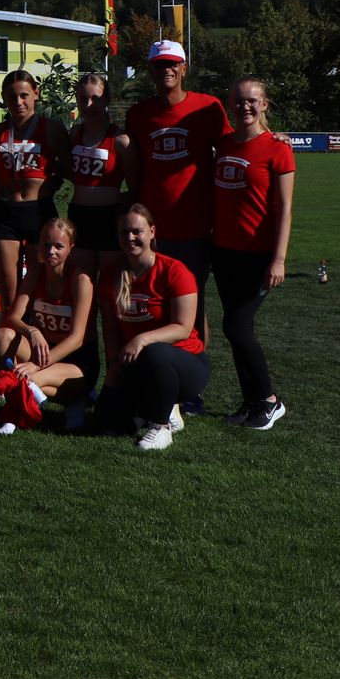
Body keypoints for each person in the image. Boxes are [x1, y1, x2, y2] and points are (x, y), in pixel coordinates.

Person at [123, 40, 230, 343]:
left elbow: (233, 146)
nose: (166, 70)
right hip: (151, 230)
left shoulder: (208, 107)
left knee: (192, 304)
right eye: (159, 65)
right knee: (152, 303)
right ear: (150, 70)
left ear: (184, 68)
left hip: (194, 227)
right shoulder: (138, 114)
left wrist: (270, 137)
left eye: (172, 64)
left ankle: (195, 365)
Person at [212, 76, 295, 431]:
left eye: (251, 100)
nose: (244, 106)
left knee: (236, 326)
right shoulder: (223, 143)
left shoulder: (277, 148)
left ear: (264, 105)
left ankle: (270, 400)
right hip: (223, 252)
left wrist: (279, 259)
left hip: (258, 255)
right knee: (237, 330)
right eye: (238, 100)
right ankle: (251, 403)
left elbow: (284, 209)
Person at [98, 204, 207, 451]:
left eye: (137, 231)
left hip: (184, 364)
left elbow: (183, 327)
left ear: (152, 232)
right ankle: (152, 408)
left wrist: (142, 339)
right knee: (109, 423)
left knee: (154, 351)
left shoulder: (175, 271)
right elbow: (110, 328)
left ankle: (161, 425)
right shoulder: (110, 273)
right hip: (136, 362)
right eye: (124, 232)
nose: (130, 237)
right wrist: (113, 363)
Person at [0, 217, 97, 435]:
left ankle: (13, 416)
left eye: (59, 246)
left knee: (29, 378)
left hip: (77, 361)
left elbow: (77, 338)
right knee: (3, 336)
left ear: (71, 249)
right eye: (46, 245)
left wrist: (36, 365)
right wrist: (32, 331)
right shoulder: (36, 272)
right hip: (43, 351)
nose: (51, 251)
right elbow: (12, 318)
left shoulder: (81, 280)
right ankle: (26, 401)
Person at [0, 69, 70, 304]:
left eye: (24, 95)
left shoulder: (52, 129)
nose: (18, 102)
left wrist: (51, 181)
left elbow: (68, 168)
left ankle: (36, 326)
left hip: (39, 212)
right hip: (5, 213)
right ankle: (10, 327)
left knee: (38, 289)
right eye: (12, 97)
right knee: (9, 294)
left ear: (36, 94)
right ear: (3, 98)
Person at [64, 73, 133, 280]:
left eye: (95, 98)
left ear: (107, 100)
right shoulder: (74, 134)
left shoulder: (120, 140)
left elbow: (136, 187)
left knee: (110, 284)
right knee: (81, 280)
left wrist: (116, 202)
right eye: (83, 98)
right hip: (79, 216)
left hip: (109, 218)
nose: (88, 104)